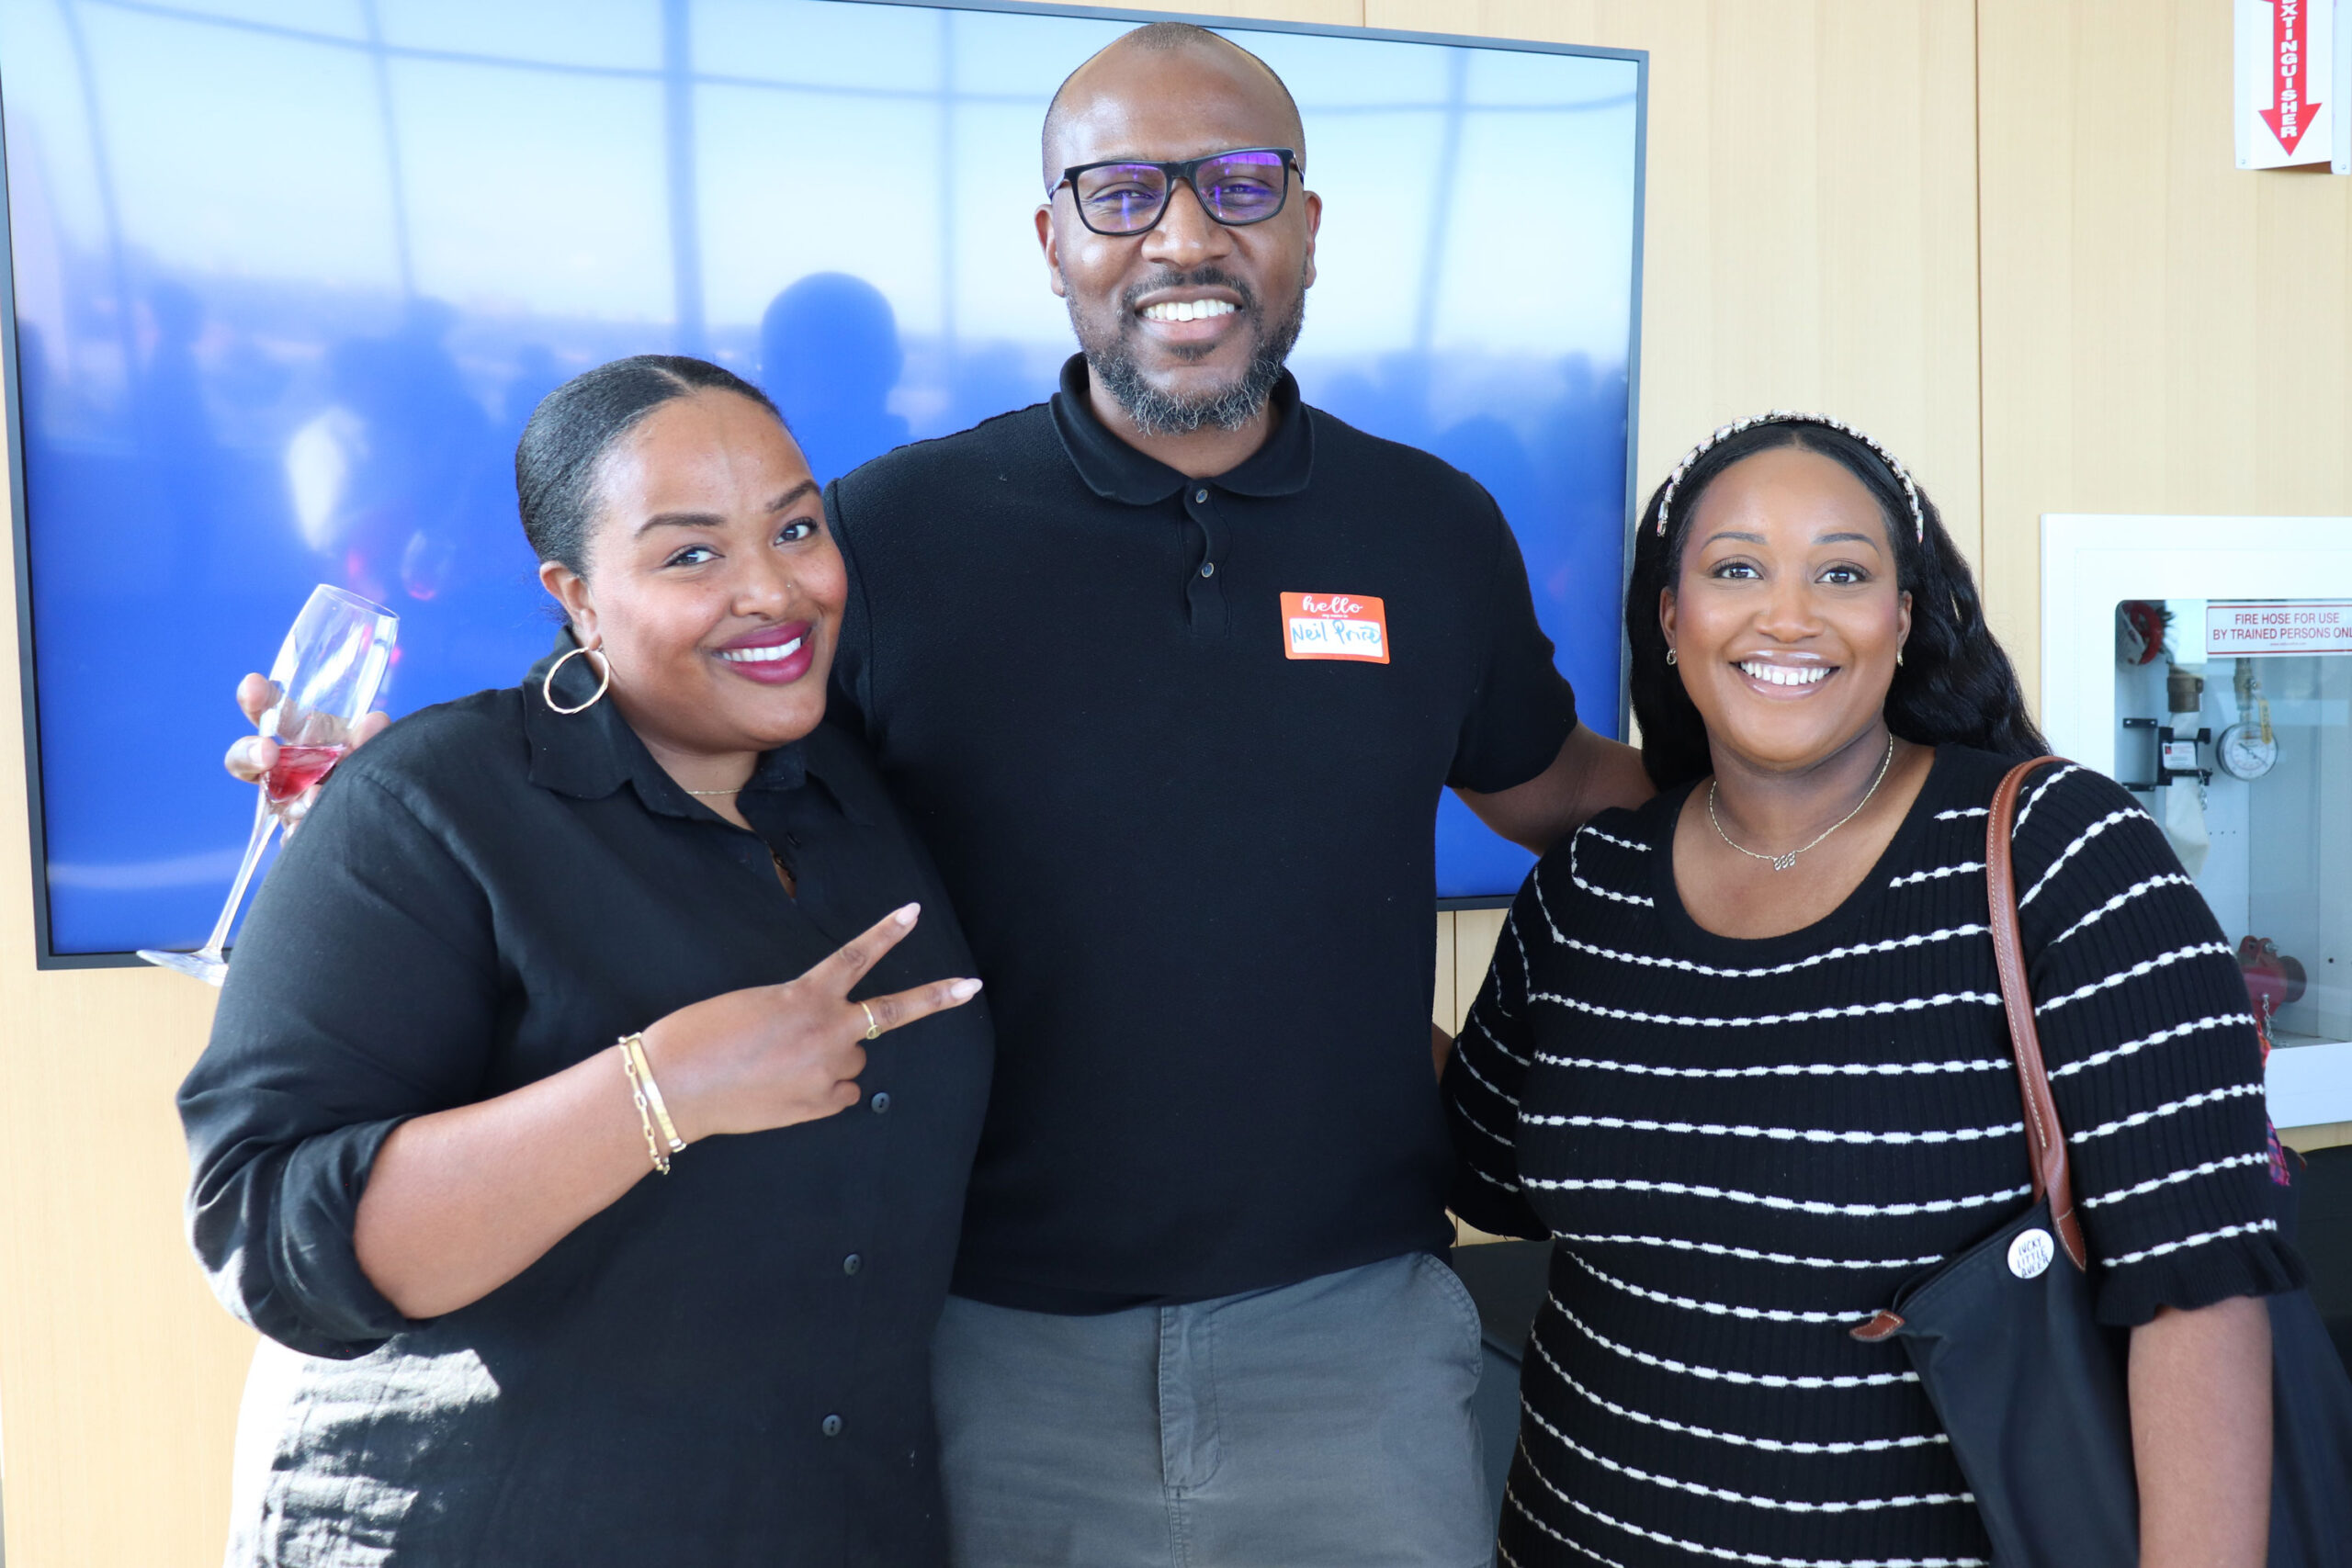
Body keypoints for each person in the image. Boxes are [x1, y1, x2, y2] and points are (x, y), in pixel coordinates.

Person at [229, 24, 1653, 1564]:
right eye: (1121, 191)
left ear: (1308, 225)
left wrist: (1820, 794)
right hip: (974, 1342)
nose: (1185, 233)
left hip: (1352, 1338)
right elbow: (656, 757)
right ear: (1052, 241)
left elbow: (1550, 785)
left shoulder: (1430, 529)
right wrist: (392, 820)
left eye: (1241, 185)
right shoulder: (891, 534)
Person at [1444, 412, 2299, 1568]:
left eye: (1841, 572)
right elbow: (1488, 1176)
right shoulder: (1590, 885)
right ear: (1671, 614)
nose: (1785, 615)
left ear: (1902, 618)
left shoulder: (2059, 856)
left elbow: (2196, 1291)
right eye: (1733, 567)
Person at [181, 355, 991, 1563]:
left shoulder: (866, 797)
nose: (773, 589)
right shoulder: (428, 805)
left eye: (797, 526)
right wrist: (658, 1090)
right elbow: (266, 1234)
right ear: (578, 595)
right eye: (689, 553)